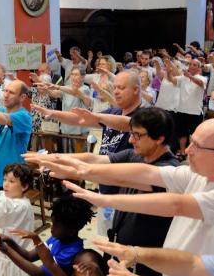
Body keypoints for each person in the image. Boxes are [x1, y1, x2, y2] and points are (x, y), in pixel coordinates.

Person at [40, 117, 214, 276]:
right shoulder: (200, 175)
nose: (187, 149)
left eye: (196, 145)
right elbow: (146, 173)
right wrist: (84, 171)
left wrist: (103, 200)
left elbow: (176, 205)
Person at [26, 107, 179, 276]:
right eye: (131, 133)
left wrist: (77, 173)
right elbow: (95, 158)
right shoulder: (135, 155)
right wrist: (56, 158)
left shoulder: (169, 171)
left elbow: (103, 172)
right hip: (121, 260)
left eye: (137, 135)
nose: (130, 139)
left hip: (146, 269)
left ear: (159, 138)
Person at [31, 70, 141, 235]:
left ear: (136, 89)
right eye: (115, 87)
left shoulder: (144, 116)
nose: (116, 91)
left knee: (125, 240)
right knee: (108, 239)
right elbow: (81, 119)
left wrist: (97, 117)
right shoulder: (114, 112)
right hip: (106, 185)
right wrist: (53, 113)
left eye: (122, 87)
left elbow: (129, 123)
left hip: (127, 189)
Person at [168, 58, 207, 159]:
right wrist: (169, 73)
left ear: (199, 68)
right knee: (182, 133)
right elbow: (172, 81)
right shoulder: (182, 78)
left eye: (195, 65)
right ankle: (182, 153)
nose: (192, 66)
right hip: (181, 110)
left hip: (195, 111)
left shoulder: (202, 78)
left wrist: (189, 76)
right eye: (191, 64)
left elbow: (201, 84)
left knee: (195, 135)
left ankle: (193, 153)